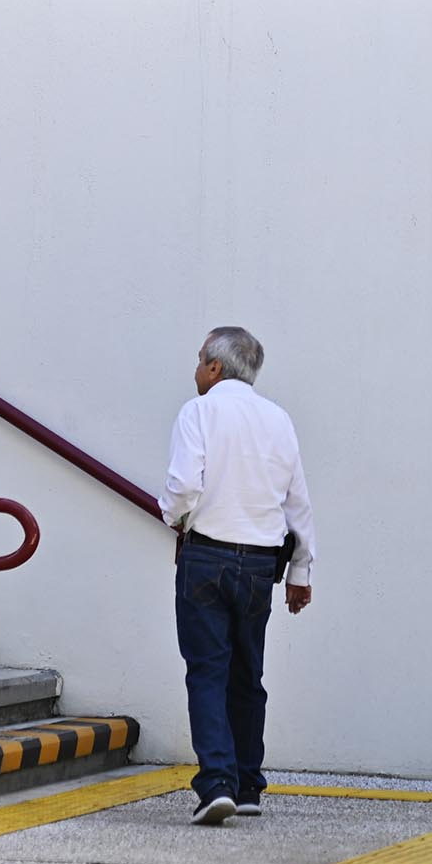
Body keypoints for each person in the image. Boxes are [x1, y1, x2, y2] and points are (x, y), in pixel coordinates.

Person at [160, 326, 316, 826]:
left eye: (198, 359)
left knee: (207, 672)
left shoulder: (198, 411)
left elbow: (184, 485)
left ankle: (216, 784)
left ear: (214, 367)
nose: (195, 369)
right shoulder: (278, 419)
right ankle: (248, 784)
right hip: (259, 565)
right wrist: (301, 570)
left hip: (206, 555)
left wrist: (172, 516)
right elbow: (298, 502)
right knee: (248, 675)